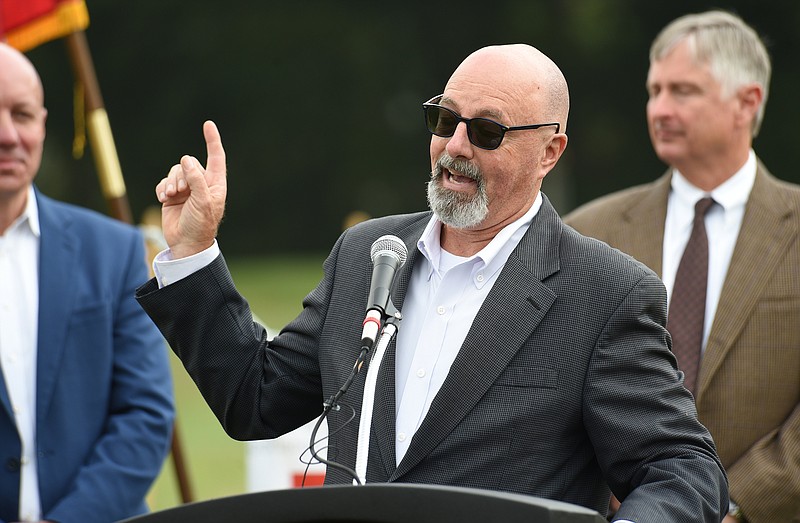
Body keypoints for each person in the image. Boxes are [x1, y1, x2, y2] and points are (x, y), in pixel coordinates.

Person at [136, 43, 728, 521]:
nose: (455, 146)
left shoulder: (605, 291)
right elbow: (255, 400)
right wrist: (192, 253)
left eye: (488, 131)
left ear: (550, 151)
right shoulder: (368, 253)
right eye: (444, 120)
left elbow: (681, 468)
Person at [564, 11, 800, 523]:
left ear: (748, 102)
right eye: (655, 91)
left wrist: (732, 506)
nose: (660, 109)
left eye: (683, 91)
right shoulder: (588, 232)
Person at [0, 43, 175, 522]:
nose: (8, 135)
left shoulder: (113, 252)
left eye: (22, 114)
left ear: (43, 122)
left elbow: (145, 414)